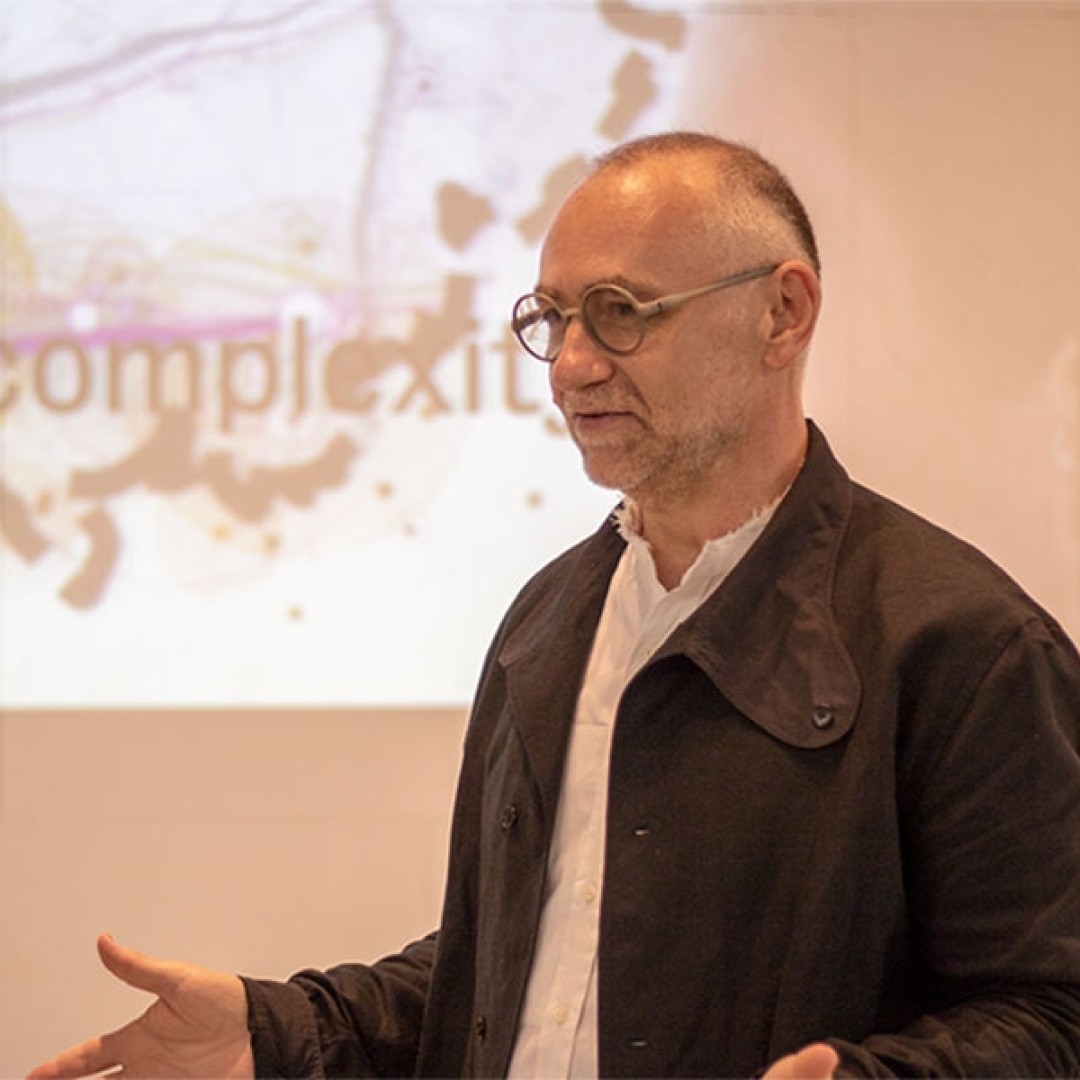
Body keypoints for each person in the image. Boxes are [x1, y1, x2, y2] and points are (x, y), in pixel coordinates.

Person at [29, 132, 1080, 1079]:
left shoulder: (962, 644)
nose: (574, 365)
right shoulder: (549, 621)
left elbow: (1053, 1016)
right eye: (553, 318)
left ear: (783, 312)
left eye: (621, 314)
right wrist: (277, 1031)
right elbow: (514, 975)